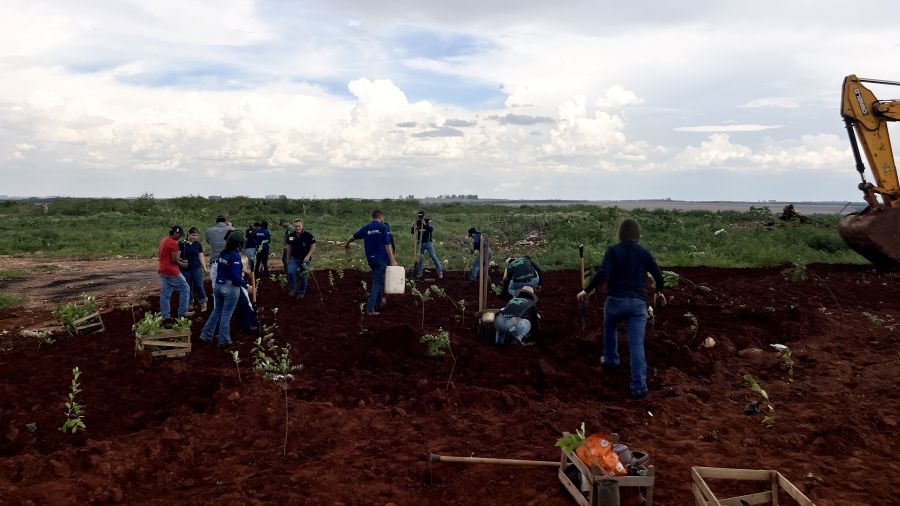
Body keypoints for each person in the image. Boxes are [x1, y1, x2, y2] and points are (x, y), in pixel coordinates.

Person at [576, 218, 666, 400]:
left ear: (620, 234)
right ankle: (639, 388)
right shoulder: (643, 253)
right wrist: (658, 292)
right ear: (637, 235)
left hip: (615, 301)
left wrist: (586, 289)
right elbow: (658, 274)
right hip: (637, 304)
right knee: (636, 345)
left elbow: (603, 273)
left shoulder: (613, 251)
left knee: (610, 326)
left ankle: (610, 360)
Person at [201, 231, 251, 347]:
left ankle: (206, 334)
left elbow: (220, 270)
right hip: (230, 288)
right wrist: (246, 286)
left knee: (217, 310)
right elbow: (234, 275)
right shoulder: (235, 255)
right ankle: (224, 340)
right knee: (226, 314)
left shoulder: (223, 254)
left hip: (218, 286)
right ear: (239, 242)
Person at [345, 210, 399, 315]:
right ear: (380, 216)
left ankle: (378, 304)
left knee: (377, 280)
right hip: (381, 260)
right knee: (377, 284)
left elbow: (354, 236)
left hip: (371, 260)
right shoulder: (384, 227)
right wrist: (392, 260)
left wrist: (347, 244)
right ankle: (370, 309)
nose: (383, 219)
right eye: (383, 217)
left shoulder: (366, 228)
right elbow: (388, 244)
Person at [158, 225, 192, 321]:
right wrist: (182, 264)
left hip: (163, 269)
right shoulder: (173, 243)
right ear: (176, 233)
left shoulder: (164, 240)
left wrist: (179, 259)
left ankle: (165, 316)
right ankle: (183, 313)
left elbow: (168, 255)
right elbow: (173, 260)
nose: (180, 237)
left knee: (165, 294)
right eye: (180, 235)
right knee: (185, 288)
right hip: (171, 270)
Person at [179, 226, 209, 312]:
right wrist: (182, 261)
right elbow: (177, 256)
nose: (195, 237)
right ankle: (189, 303)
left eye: (196, 235)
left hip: (196, 268)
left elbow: (201, 256)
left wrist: (204, 267)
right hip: (185, 268)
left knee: (199, 285)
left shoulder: (197, 244)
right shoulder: (182, 244)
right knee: (187, 286)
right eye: (193, 235)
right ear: (188, 234)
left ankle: (203, 302)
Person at [285, 219, 317, 299]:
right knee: (290, 271)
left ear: (302, 226)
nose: (297, 228)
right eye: (296, 226)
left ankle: (302, 292)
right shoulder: (291, 236)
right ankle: (293, 288)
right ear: (293, 226)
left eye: (299, 226)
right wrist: (288, 259)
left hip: (305, 260)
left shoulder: (308, 235)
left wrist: (308, 256)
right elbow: (289, 248)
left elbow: (313, 247)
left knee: (304, 276)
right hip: (294, 258)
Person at [411, 210, 444, 279]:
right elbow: (413, 232)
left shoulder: (429, 221)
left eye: (422, 217)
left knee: (433, 257)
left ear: (424, 216)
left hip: (428, 242)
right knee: (420, 258)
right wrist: (413, 227)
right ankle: (419, 274)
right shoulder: (418, 222)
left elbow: (431, 229)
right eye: (420, 217)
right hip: (420, 243)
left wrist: (425, 224)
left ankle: (440, 272)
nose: (421, 218)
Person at [205, 215, 233, 287]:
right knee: (229, 287)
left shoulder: (209, 231)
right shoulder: (232, 229)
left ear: (216, 222)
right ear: (225, 221)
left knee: (215, 287)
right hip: (229, 261)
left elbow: (209, 241)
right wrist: (230, 226)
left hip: (215, 261)